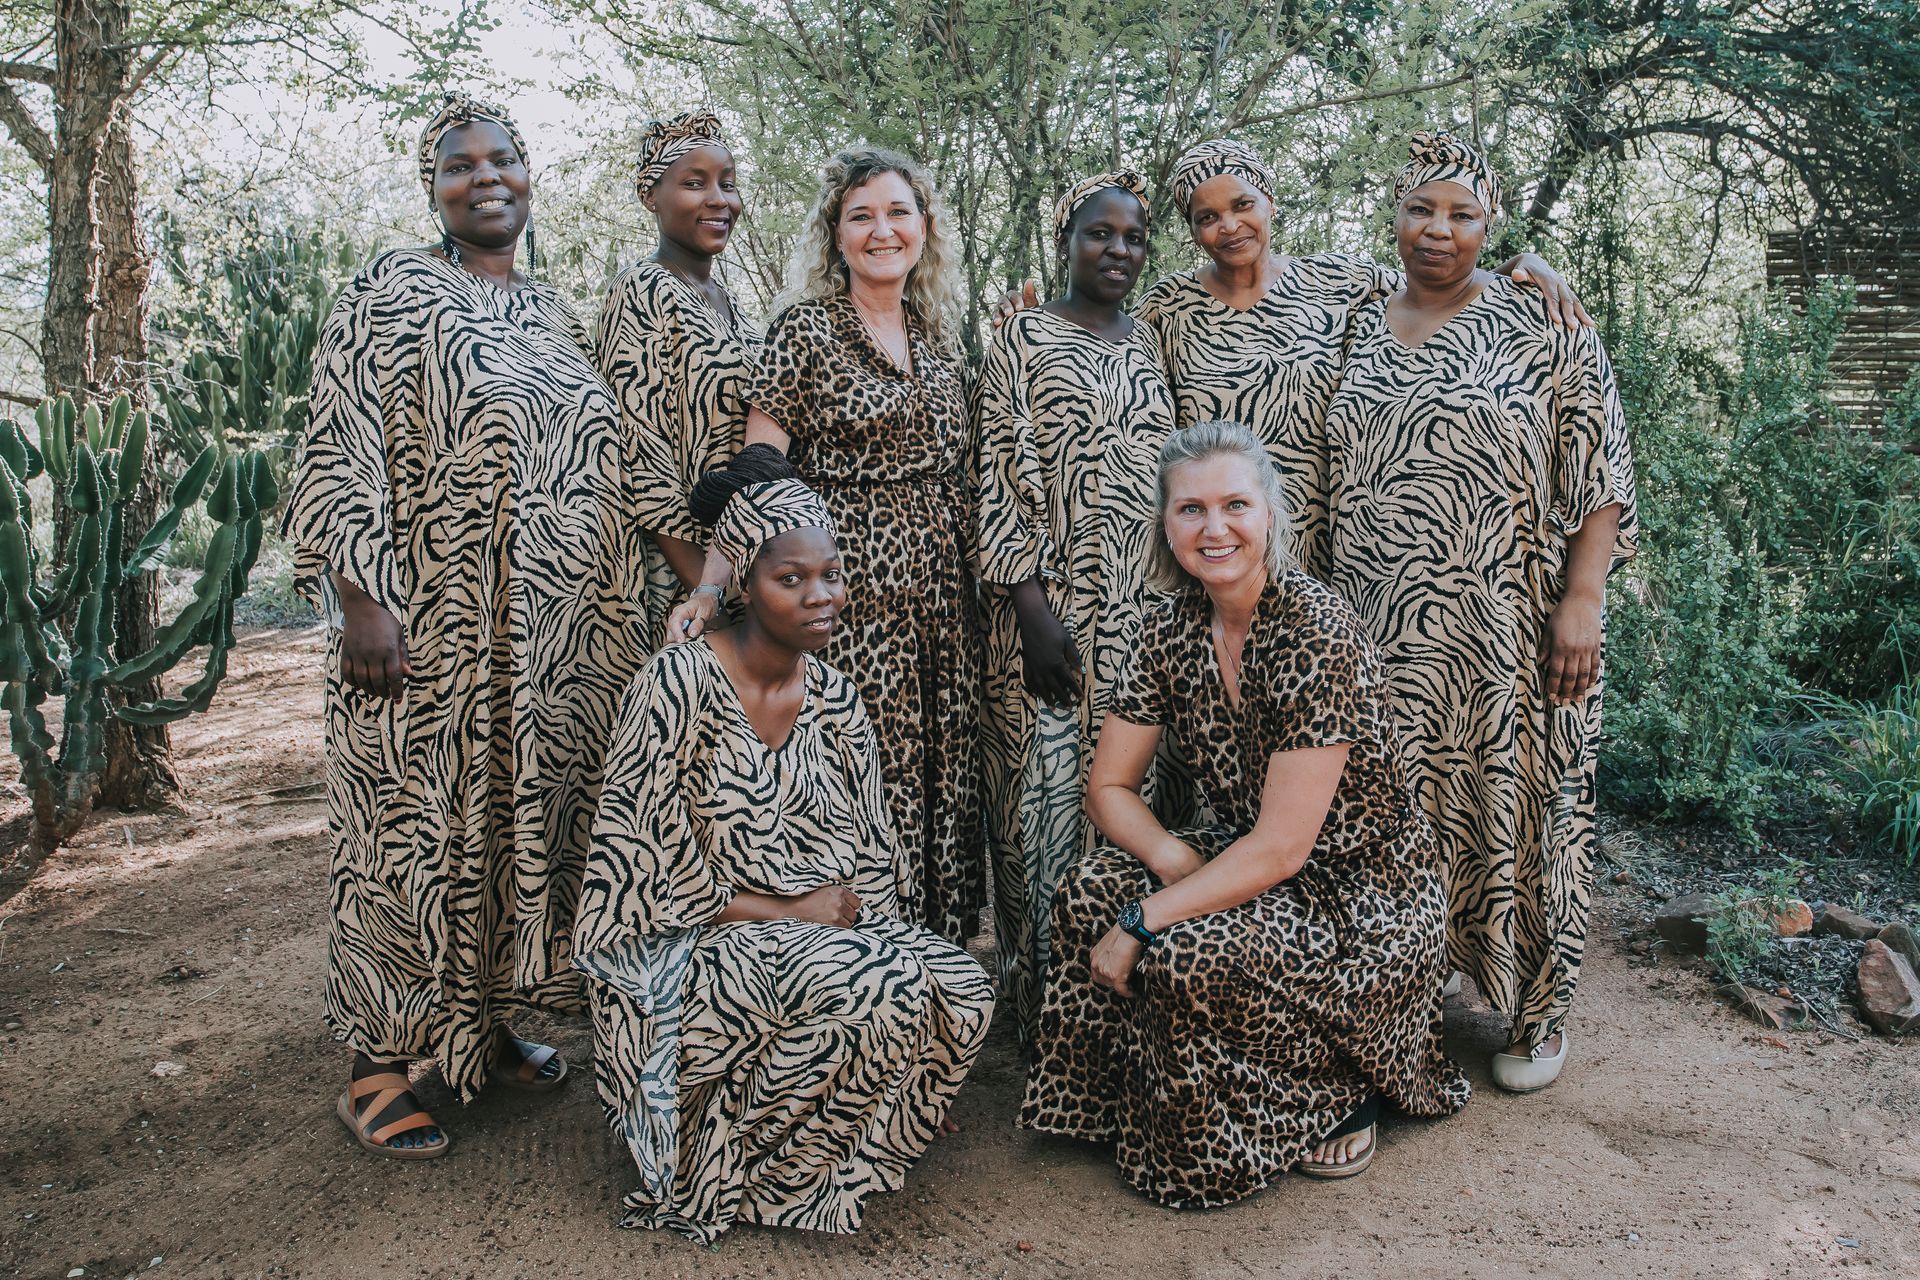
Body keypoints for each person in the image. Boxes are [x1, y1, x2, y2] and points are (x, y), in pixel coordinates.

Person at [283, 92, 645, 1158]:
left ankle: (479, 1030)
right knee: (412, 834)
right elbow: (340, 437)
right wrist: (360, 593)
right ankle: (375, 1069)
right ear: (432, 188)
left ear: (531, 176)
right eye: (459, 164)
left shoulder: (555, 312)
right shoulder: (392, 290)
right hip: (432, 621)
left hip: (554, 641)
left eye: (504, 159)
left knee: (512, 828)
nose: (485, 177)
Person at [1021, 421, 1469, 1203]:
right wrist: (1166, 862)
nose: (1214, 527)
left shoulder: (1314, 630)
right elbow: (1109, 790)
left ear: (1270, 514)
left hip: (1358, 895)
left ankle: (1333, 1092)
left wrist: (1145, 920)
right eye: (1190, 509)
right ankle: (1135, 1101)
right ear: (1166, 524)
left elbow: (1284, 851)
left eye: (1235, 504)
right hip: (1247, 855)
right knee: (1088, 888)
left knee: (1180, 945)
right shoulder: (1167, 626)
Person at [573, 466, 993, 1242]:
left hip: (819, 935)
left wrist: (858, 931)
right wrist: (791, 912)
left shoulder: (835, 698)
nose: (821, 596)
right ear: (744, 584)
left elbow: (872, 857)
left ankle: (828, 1145)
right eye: (790, 578)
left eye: (831, 575)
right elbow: (636, 879)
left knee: (961, 990)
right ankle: (729, 1168)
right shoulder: (676, 686)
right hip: (693, 948)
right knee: (876, 990)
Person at [1324, 131, 1637, 1092]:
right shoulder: (1349, 318)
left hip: (1506, 629)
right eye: (1422, 209)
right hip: (1380, 632)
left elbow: (1602, 469)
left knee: (1526, 803)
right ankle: (1409, 995)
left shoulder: (1540, 321)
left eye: (1462, 214)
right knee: (1396, 814)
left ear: (1491, 223)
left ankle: (1538, 1014)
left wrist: (1582, 598)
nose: (1439, 231)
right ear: (1395, 214)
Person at [998, 139, 1588, 581]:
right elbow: (1099, 342)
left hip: (1328, 555)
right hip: (1217, 553)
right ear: (1193, 230)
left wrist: (1520, 266)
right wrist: (1024, 319)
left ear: (1270, 202)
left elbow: (1434, 280)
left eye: (1242, 204)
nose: (1229, 226)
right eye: (1207, 217)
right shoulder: (1167, 308)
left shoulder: (1341, 282)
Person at [668, 147, 985, 945]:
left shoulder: (940, 339)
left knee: (941, 779)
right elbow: (760, 474)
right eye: (861, 216)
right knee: (862, 777)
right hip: (845, 601)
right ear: (835, 236)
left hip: (945, 604)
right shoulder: (806, 332)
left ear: (925, 228)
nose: (883, 231)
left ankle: (933, 966)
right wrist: (709, 590)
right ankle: (856, 960)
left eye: (899, 213)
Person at [971, 171, 1178, 1045]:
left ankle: (1115, 1000)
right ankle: (1043, 1011)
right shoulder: (1022, 338)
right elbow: (995, 477)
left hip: (1144, 615)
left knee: (1128, 801)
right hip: (1047, 616)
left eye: (1133, 237)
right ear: (1066, 241)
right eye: (1100, 234)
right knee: (1042, 809)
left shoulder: (1152, 346)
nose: (1118, 250)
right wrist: (1029, 607)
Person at [598, 110, 759, 652]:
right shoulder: (641, 291)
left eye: (728, 184)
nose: (719, 200)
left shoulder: (732, 303)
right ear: (652, 196)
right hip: (680, 580)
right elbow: (642, 461)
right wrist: (708, 594)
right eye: (694, 184)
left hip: (744, 563)